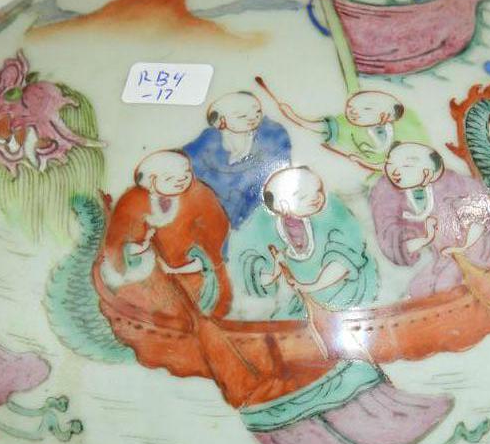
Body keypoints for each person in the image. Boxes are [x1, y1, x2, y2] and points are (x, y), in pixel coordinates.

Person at [234, 164, 378, 318]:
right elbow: (247, 261)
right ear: (283, 205)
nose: (316, 198)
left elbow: (347, 256)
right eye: (302, 197)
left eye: (318, 190)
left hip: (346, 289)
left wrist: (311, 286)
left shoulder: (334, 211)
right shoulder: (264, 221)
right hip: (299, 300)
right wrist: (274, 272)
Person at [101, 149, 231, 317]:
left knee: (196, 302)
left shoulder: (201, 195)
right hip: (149, 270)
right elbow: (119, 236)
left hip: (190, 267)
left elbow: (217, 226)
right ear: (151, 182)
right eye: (170, 178)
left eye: (186, 174)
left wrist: (200, 253)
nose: (181, 180)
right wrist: (135, 249)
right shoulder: (132, 200)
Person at [370, 141, 490, 297]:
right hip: (444, 256)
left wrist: (463, 247)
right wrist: (425, 239)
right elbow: (391, 238)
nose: (395, 171)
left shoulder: (457, 185)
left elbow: (480, 220)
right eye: (390, 164)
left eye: (406, 166)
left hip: (477, 249)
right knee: (418, 289)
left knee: (446, 285)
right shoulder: (386, 190)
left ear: (428, 172)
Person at [181, 91, 292, 229]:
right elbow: (182, 164)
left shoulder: (272, 138)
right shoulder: (206, 143)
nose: (253, 118)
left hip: (254, 217)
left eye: (257, 112)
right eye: (242, 116)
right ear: (220, 122)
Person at [275, 88, 428, 173]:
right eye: (352, 105)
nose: (353, 110)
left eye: (367, 108)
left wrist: (363, 162)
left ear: (384, 117)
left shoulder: (404, 132)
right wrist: (295, 118)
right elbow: (320, 128)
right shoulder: (344, 123)